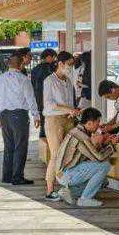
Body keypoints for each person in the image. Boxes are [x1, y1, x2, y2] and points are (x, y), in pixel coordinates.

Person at [53, 107, 117, 207]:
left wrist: (105, 143)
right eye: (97, 122)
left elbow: (91, 154)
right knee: (105, 166)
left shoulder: (76, 131)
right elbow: (98, 158)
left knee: (103, 181)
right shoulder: (82, 136)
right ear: (90, 123)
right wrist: (112, 145)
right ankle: (85, 199)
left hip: (62, 173)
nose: (99, 125)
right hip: (66, 174)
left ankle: (68, 192)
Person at [0, 52, 40, 187]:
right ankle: (17, 177)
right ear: (21, 65)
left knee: (8, 146)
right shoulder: (23, 79)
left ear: (8, 64)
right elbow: (30, 98)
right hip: (19, 115)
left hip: (4, 115)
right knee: (20, 146)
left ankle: (7, 176)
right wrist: (36, 115)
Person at [42, 52, 81, 199]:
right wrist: (69, 109)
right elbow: (49, 104)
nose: (71, 67)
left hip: (68, 119)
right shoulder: (49, 81)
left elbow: (70, 102)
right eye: (69, 64)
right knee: (56, 155)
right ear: (60, 64)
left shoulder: (68, 81)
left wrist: (72, 112)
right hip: (54, 120)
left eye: (72, 65)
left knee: (70, 154)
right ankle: (49, 190)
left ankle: (68, 186)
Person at [30, 48, 58, 140]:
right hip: (49, 101)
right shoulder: (50, 69)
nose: (54, 60)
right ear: (48, 57)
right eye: (54, 57)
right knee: (50, 124)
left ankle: (43, 142)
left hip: (38, 100)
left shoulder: (34, 69)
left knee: (43, 123)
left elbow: (32, 86)